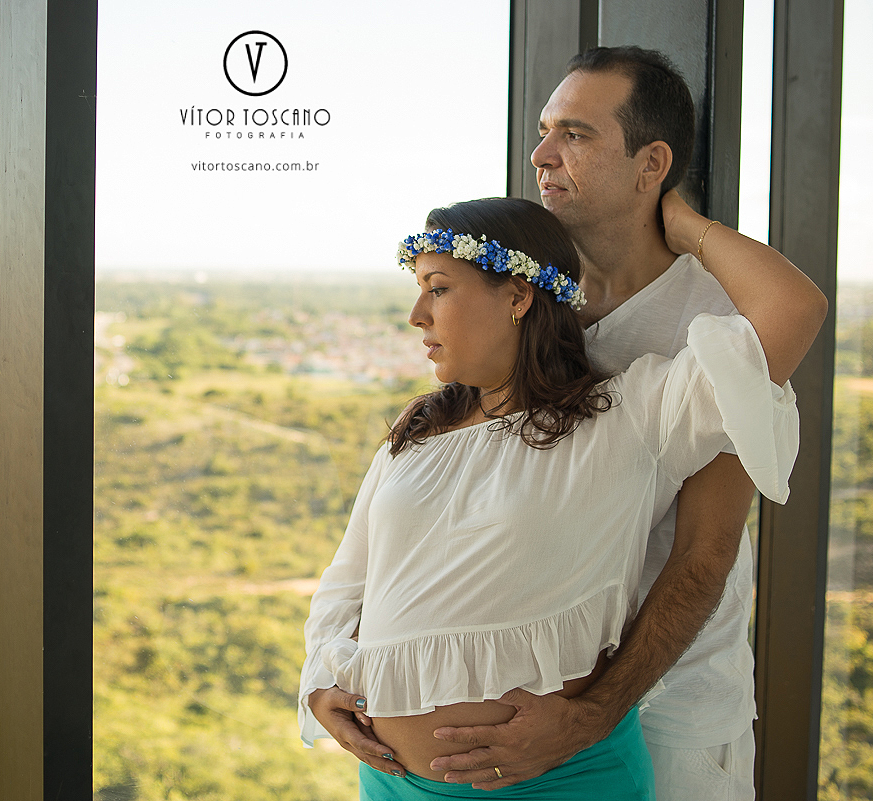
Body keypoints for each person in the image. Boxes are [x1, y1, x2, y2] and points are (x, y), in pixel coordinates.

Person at [299, 193, 827, 799]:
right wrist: (320, 681)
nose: (417, 314)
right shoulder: (415, 435)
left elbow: (795, 308)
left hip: (561, 783)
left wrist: (685, 226)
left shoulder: (628, 418)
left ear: (519, 297)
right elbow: (348, 580)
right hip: (393, 785)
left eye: (439, 288)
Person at [425, 47, 791, 801]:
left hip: (670, 713)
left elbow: (703, 554)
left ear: (650, 162)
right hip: (537, 717)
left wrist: (685, 227)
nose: (541, 155)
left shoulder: (719, 321)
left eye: (576, 135)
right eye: (543, 130)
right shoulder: (528, 307)